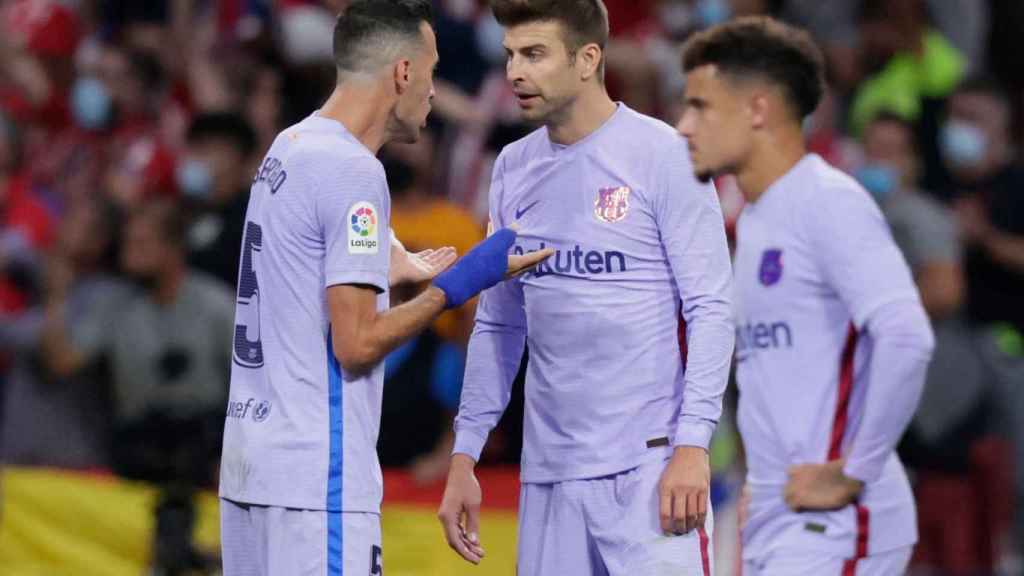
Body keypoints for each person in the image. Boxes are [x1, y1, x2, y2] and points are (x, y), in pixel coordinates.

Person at [216, 2, 549, 575]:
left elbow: (302, 259)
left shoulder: (288, 148)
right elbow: (356, 343)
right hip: (316, 481)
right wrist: (459, 282)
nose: (432, 90)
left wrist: (389, 262)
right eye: (431, 70)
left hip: (251, 467)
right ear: (402, 72)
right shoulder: (356, 172)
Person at [437, 1, 735, 574]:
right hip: (549, 475)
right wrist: (465, 453)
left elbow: (711, 308)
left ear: (587, 59)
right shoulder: (512, 167)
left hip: (651, 469)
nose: (515, 73)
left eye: (534, 54)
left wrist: (694, 445)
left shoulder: (665, 155)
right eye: (510, 56)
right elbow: (500, 323)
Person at [677, 17, 935, 574]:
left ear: (758, 110)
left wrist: (854, 471)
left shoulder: (828, 202)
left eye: (700, 106)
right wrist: (763, 484)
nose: (683, 125)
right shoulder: (757, 220)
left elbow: (907, 335)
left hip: (837, 520)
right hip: (780, 513)